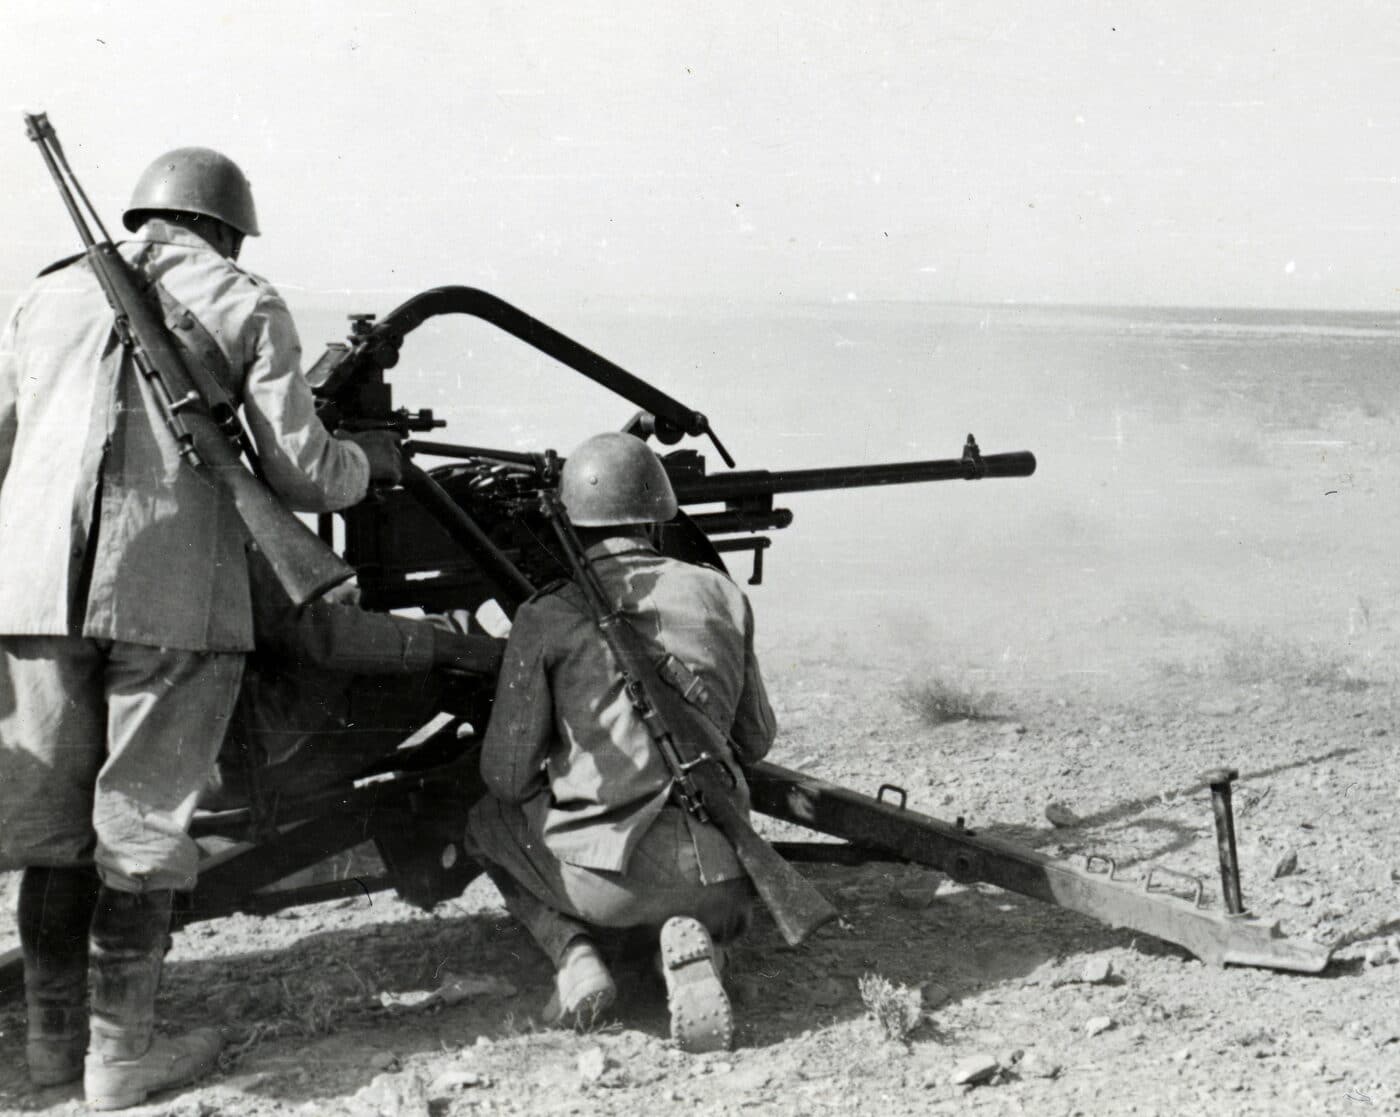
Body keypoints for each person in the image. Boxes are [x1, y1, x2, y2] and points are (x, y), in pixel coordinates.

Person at [0, 146, 399, 1109]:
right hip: (171, 591)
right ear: (224, 228)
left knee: (52, 829)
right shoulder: (243, 298)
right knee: (138, 826)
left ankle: (54, 1050)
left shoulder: (43, 295)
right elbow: (303, 471)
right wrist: (369, 465)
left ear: (143, 217)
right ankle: (119, 1061)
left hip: (32, 593)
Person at [467, 431, 777, 1053]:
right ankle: (696, 950)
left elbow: (506, 775)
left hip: (606, 887)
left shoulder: (547, 614)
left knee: (486, 818)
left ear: (574, 528)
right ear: (659, 522)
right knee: (712, 900)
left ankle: (575, 956)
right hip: (726, 873)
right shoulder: (722, 594)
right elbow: (758, 739)